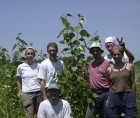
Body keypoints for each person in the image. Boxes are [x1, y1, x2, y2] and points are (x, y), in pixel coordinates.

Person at [106, 45, 137, 118]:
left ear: (122, 54)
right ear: (112, 55)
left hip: (128, 95)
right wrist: (108, 98)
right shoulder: (109, 69)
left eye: (119, 54)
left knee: (131, 116)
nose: (116, 56)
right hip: (114, 96)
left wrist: (133, 97)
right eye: (114, 54)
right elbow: (110, 85)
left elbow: (133, 83)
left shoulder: (129, 66)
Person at [84, 41, 110, 118]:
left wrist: (110, 96)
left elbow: (113, 81)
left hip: (106, 93)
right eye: (93, 51)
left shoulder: (108, 63)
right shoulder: (91, 63)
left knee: (107, 115)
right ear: (91, 52)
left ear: (101, 51)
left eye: (97, 50)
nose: (95, 52)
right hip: (94, 93)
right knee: (88, 116)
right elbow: (88, 76)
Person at [16, 47, 41, 118]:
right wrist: (20, 94)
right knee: (29, 115)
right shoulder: (21, 67)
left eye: (32, 54)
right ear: (25, 55)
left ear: (34, 55)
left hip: (38, 93)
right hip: (27, 94)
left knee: (39, 114)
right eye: (28, 54)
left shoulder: (38, 66)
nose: (30, 55)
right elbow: (19, 81)